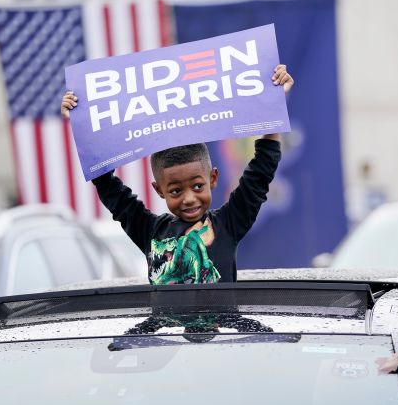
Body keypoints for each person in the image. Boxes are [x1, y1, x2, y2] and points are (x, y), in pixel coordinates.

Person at [61, 64, 293, 284]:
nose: (189, 198)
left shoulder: (229, 223)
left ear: (212, 179)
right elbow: (108, 187)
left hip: (223, 327)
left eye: (197, 186)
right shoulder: (149, 231)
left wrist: (274, 105)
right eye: (175, 190)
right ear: (159, 190)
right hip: (167, 328)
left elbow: (260, 174)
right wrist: (81, 124)